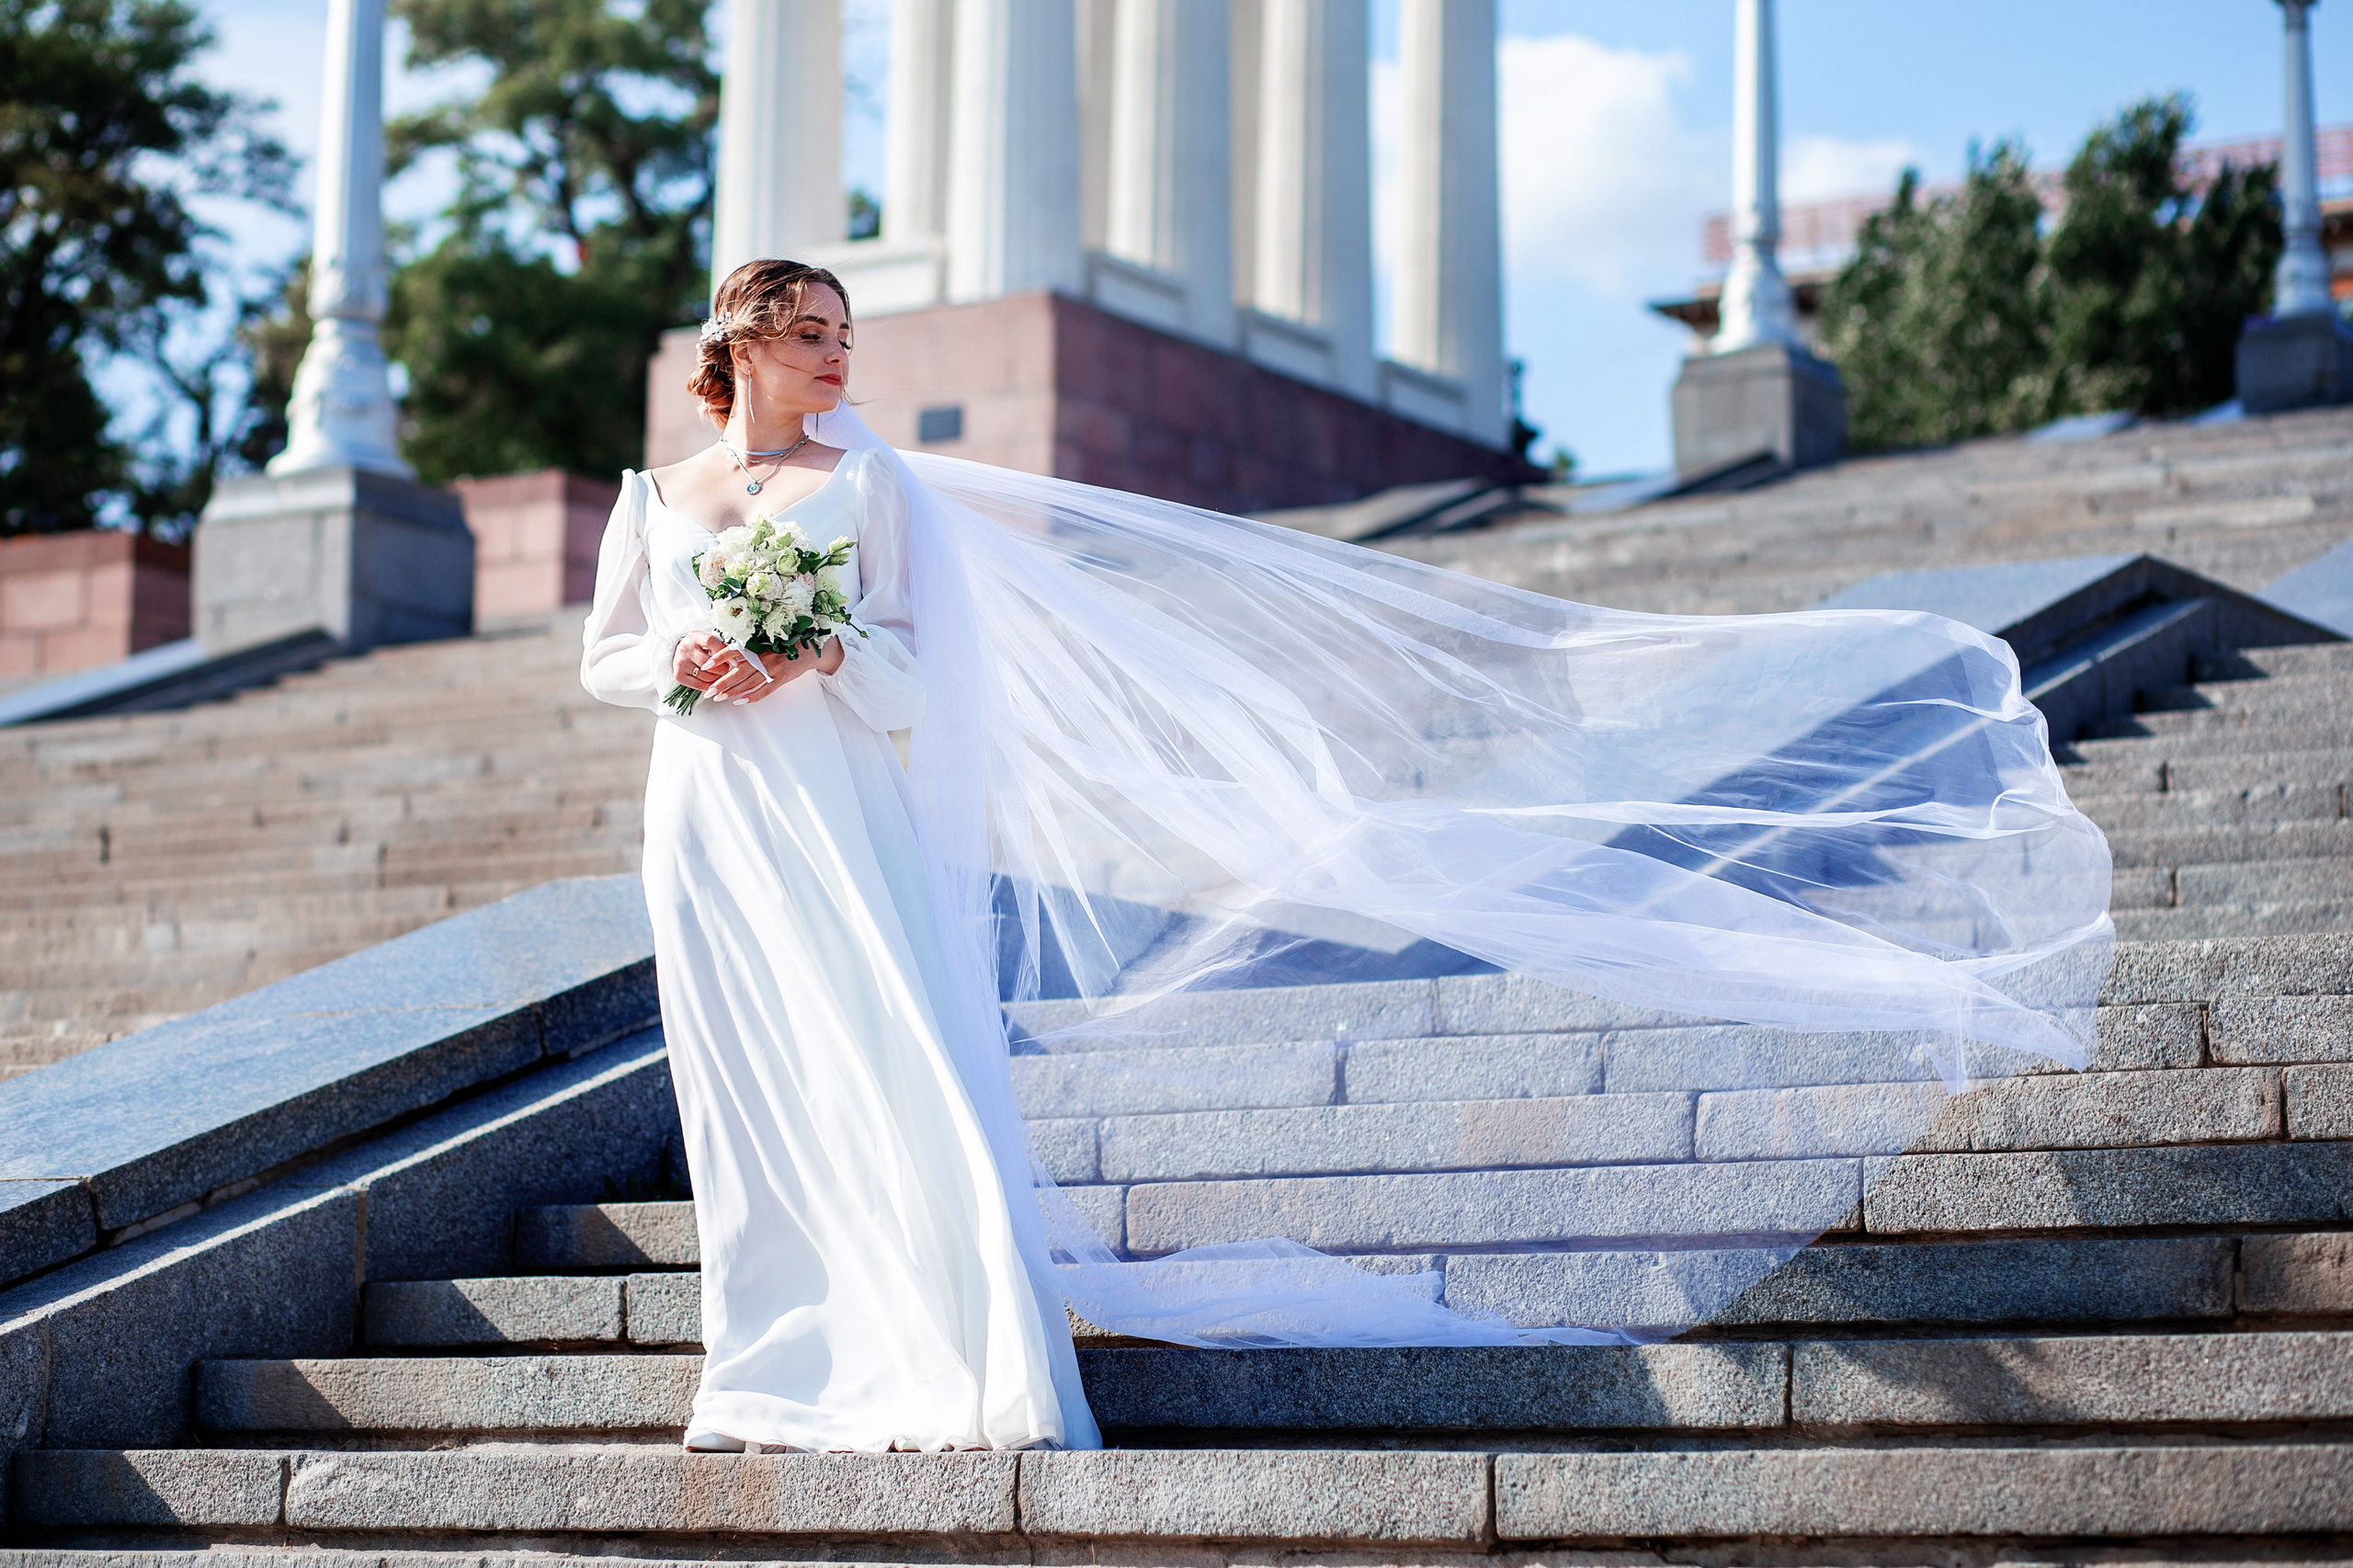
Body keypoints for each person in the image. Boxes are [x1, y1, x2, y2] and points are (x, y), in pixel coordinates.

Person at [584, 258, 2113, 1455]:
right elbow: (605, 660)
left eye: (850, 333)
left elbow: (931, 671)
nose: (842, 357)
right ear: (740, 346)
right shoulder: (658, 503)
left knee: (877, 1056)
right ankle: (772, 1360)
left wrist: (823, 650)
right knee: (746, 1081)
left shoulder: (875, 489)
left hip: (837, 803)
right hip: (712, 811)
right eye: (812, 333)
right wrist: (694, 661)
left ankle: (918, 1347)